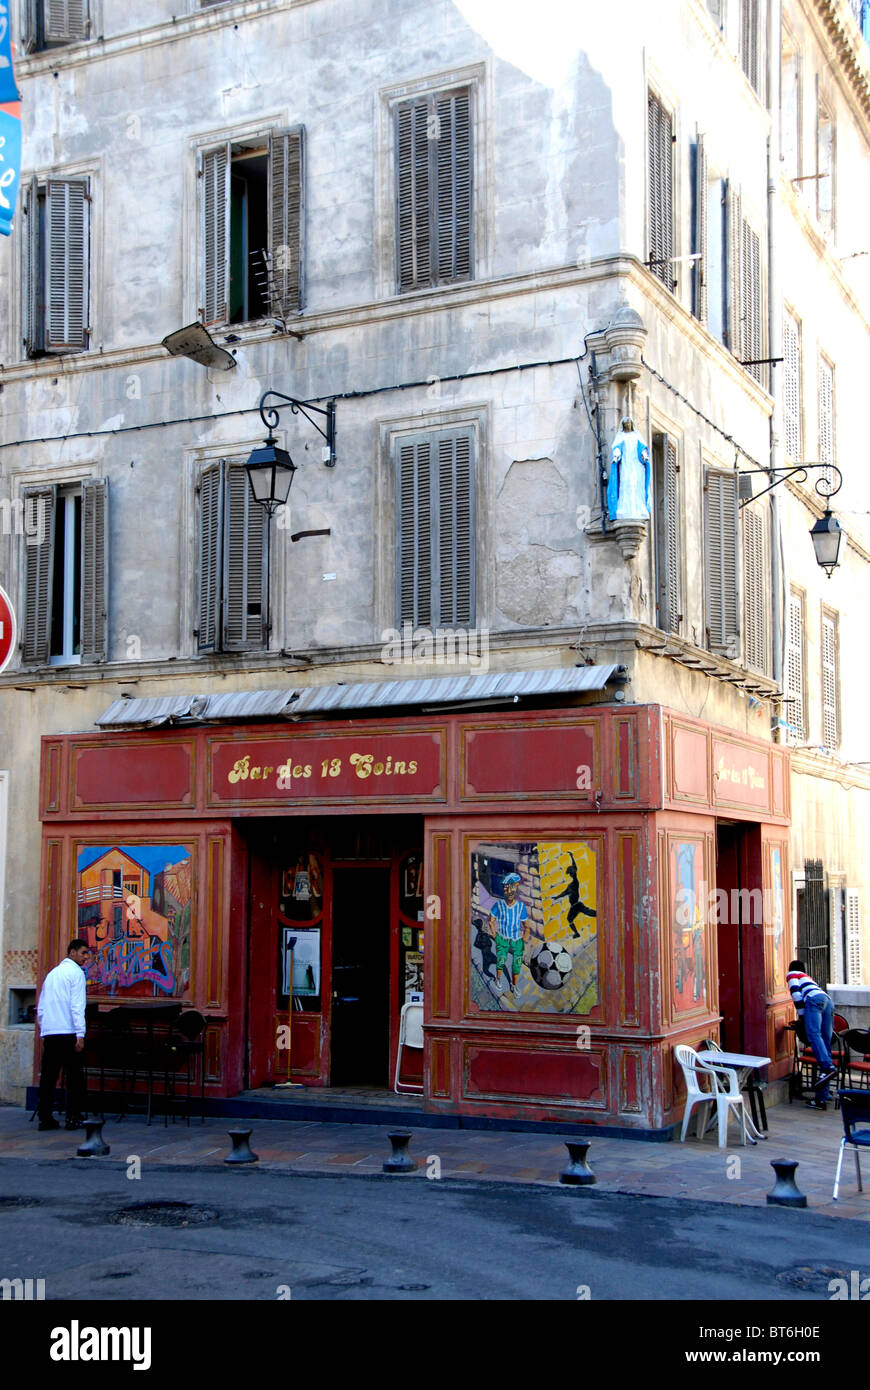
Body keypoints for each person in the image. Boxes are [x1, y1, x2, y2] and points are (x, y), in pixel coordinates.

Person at [36, 939, 92, 1131]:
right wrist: (80, 1034)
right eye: (83, 953)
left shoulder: (52, 974)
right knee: (74, 1077)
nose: (86, 958)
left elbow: (41, 1006)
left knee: (49, 1077)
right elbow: (77, 1006)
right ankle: (73, 1117)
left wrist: (44, 1029)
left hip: (51, 1032)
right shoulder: (76, 973)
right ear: (72, 952)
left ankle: (45, 1118)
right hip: (68, 1032)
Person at [787, 958, 838, 1108]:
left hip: (814, 1001)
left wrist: (802, 1016)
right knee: (825, 1042)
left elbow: (796, 994)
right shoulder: (808, 979)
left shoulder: (792, 974)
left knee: (813, 1034)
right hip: (827, 1001)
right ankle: (822, 1097)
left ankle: (827, 1066)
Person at [488, 872, 529, 994]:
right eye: (506, 887)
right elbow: (491, 920)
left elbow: (526, 926)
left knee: (516, 965)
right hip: (503, 938)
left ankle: (514, 985)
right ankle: (498, 980)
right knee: (500, 961)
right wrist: (495, 935)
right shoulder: (498, 905)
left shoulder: (521, 907)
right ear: (504, 889)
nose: (509, 890)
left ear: (516, 887)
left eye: (512, 887)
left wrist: (524, 940)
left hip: (517, 941)